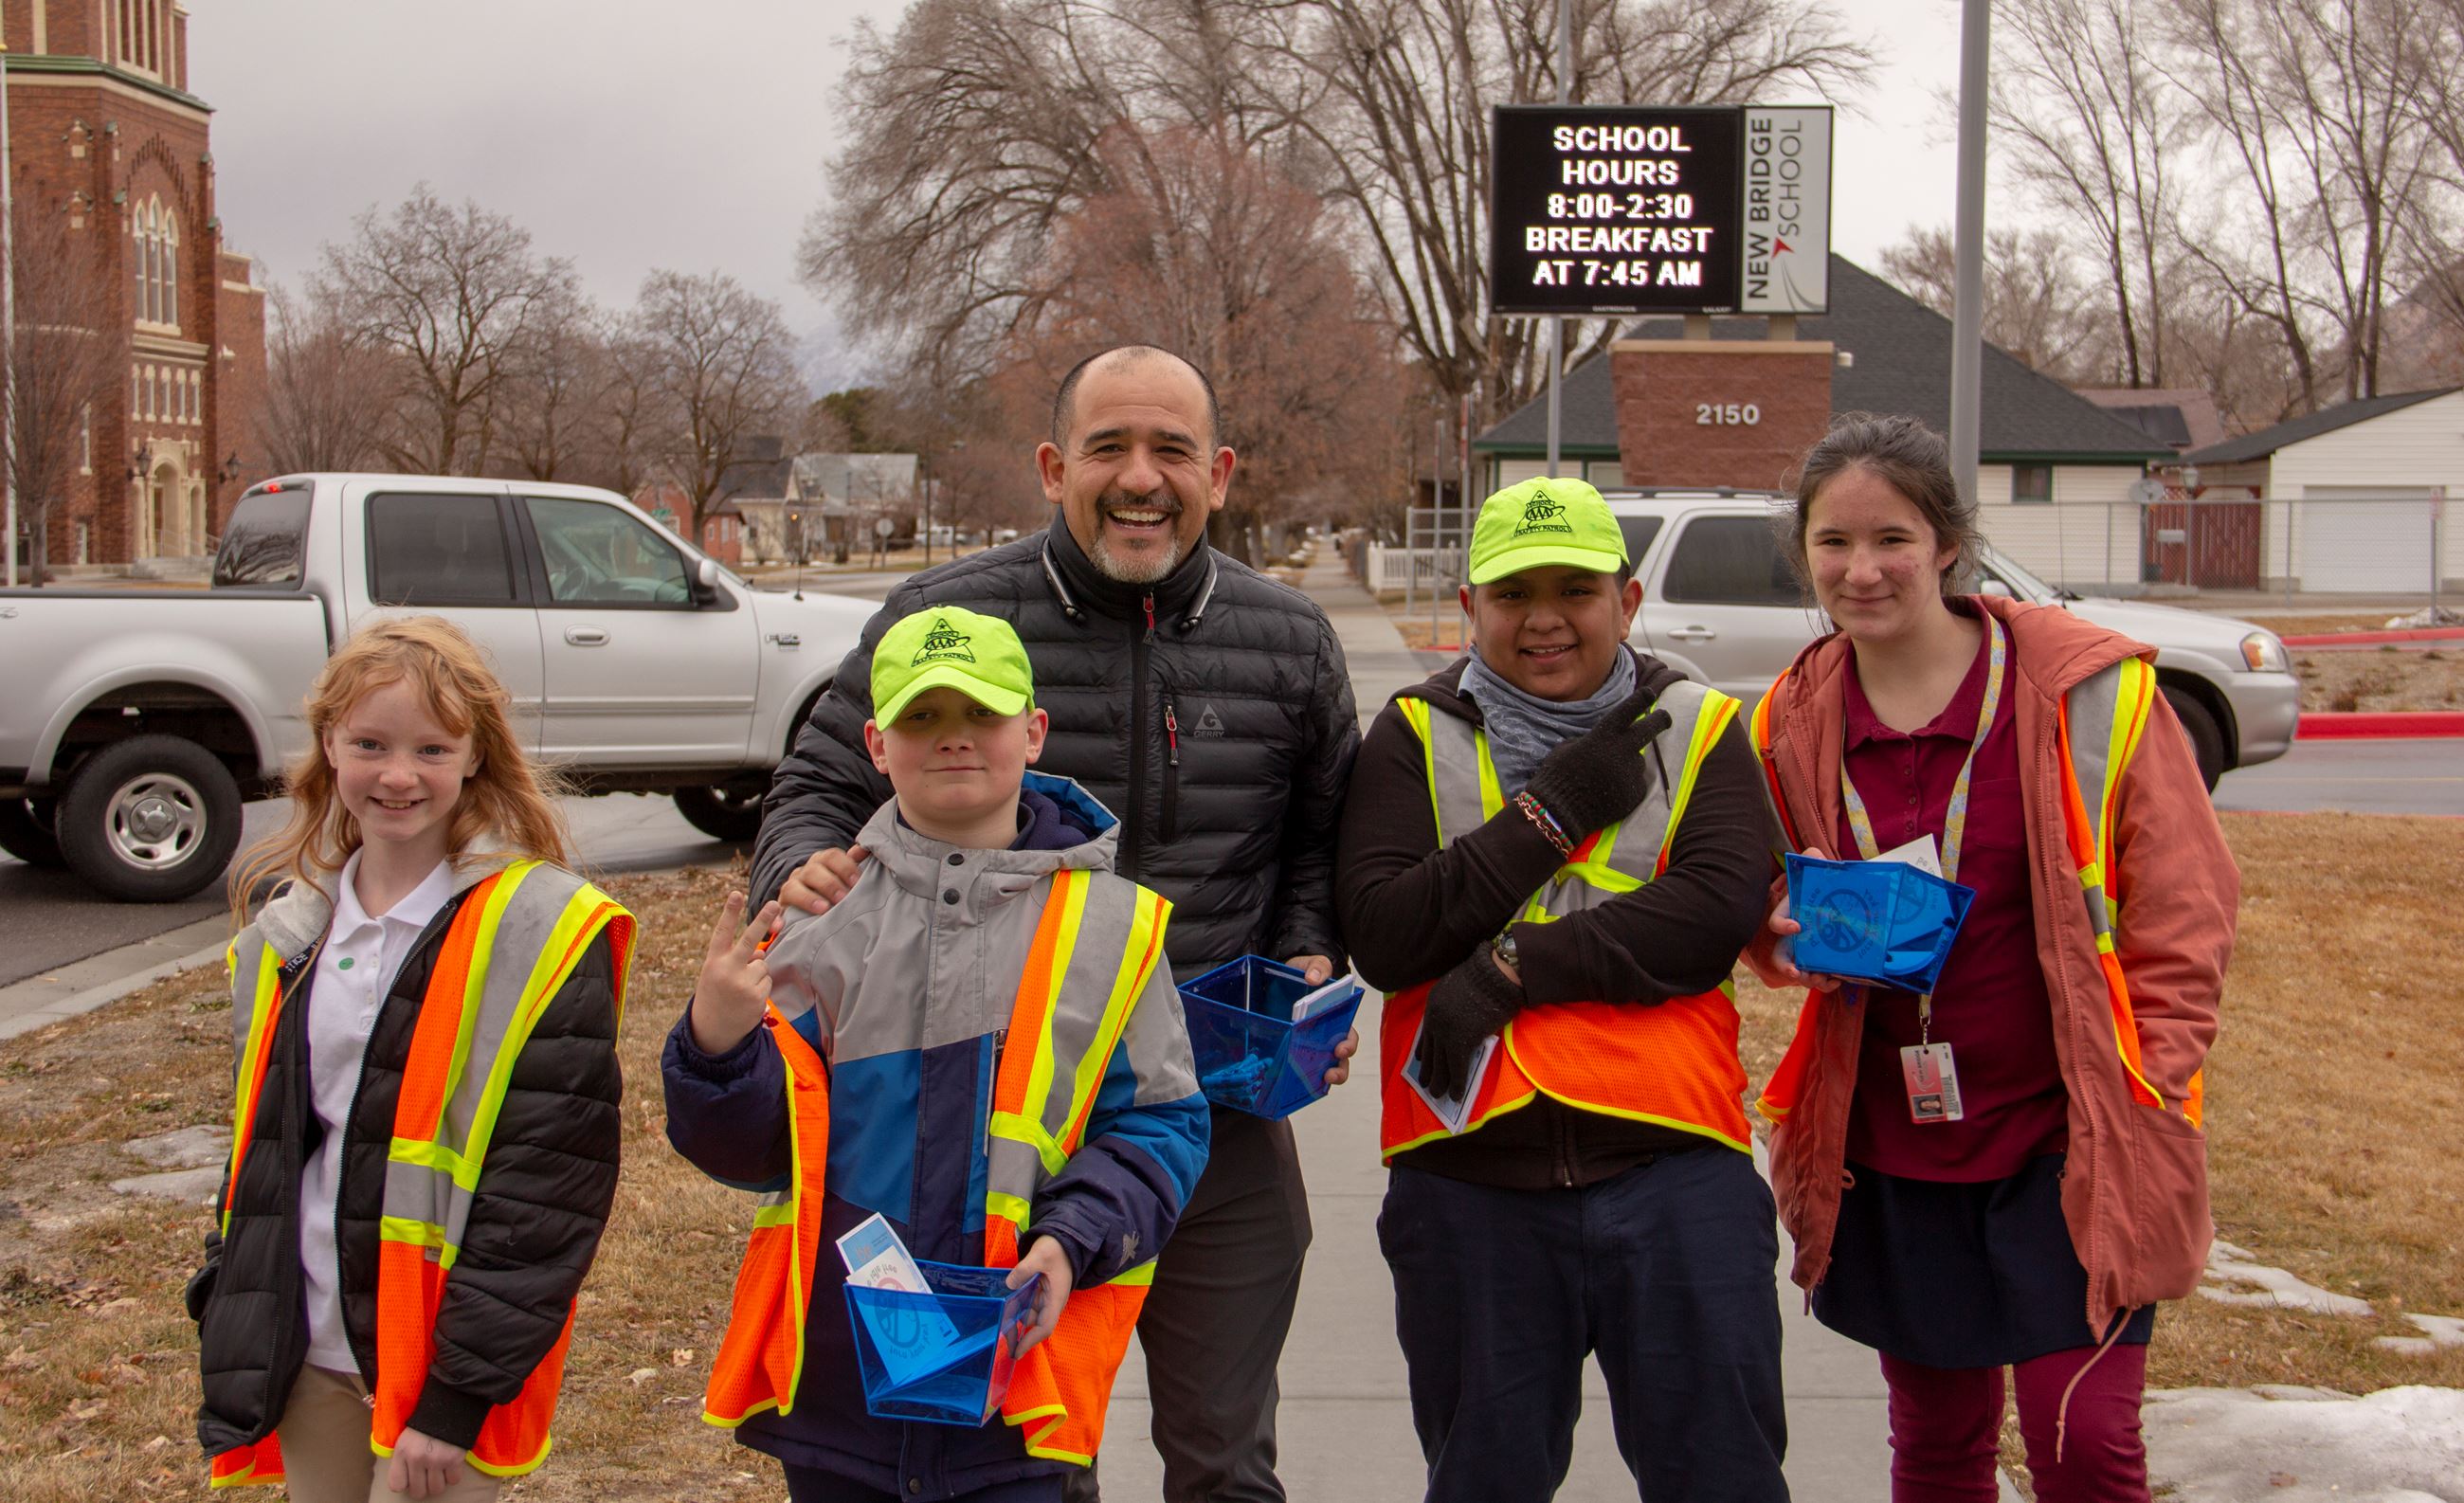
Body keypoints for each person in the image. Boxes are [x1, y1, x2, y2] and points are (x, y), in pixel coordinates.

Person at [752, 345, 1358, 1503]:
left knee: (1225, 1459)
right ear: (1051, 466)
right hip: (983, 1126)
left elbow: (1323, 838)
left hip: (1209, 1117)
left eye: (1172, 449)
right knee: (1018, 1455)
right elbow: (817, 781)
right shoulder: (945, 617)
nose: (1142, 477)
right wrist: (799, 878)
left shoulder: (1289, 640)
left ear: (1218, 472)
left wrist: (1309, 955)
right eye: (1109, 448)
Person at [1745, 413, 2237, 1502]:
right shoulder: (1791, 713)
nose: (1860, 569)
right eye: (1832, 542)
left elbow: (2185, 906)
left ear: (1947, 545)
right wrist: (1784, 935)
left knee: (2086, 1445)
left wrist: (2149, 1074)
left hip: (2069, 1138)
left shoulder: (2083, 692)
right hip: (1893, 1143)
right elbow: (1767, 898)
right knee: (1935, 1448)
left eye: (1891, 539)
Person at [667, 606, 1210, 1503]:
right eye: (922, 718)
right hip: (841, 1392)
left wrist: (1072, 1242)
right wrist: (717, 1043)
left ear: (1033, 733)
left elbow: (1163, 1123)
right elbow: (755, 1154)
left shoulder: (1113, 926)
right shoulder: (819, 921)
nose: (953, 739)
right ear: (877, 745)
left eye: (981, 715)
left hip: (1019, 1390)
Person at [1334, 478, 1789, 1503]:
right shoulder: (1411, 730)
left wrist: (1505, 968)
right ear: (1469, 607)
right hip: (1466, 1182)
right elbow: (1389, 933)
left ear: (1625, 601)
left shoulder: (1701, 723)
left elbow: (1710, 915)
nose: (1542, 616)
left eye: (1573, 588)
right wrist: (1550, 812)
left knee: (1722, 1478)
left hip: (1675, 1165)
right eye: (1512, 592)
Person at [191, 617, 633, 1502]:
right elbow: (271, 1147)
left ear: (475, 756)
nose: (398, 775)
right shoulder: (290, 930)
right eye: (370, 744)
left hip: (437, 1363)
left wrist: (456, 1399)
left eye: (432, 747)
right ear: (328, 746)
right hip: (306, 1348)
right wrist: (228, 1283)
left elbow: (546, 1193)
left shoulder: (539, 928)